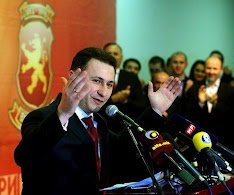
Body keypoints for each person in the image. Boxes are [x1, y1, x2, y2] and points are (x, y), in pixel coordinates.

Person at [14, 47, 182, 195]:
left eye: (109, 84)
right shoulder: (42, 117)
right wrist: (63, 113)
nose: (103, 92)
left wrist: (155, 111)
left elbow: (122, 147)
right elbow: (25, 156)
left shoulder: (99, 122)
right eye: (97, 81)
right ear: (73, 77)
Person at [103, 42, 145, 131]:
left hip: (125, 127)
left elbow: (141, 104)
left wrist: (126, 100)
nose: (112, 56)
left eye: (115, 54)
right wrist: (112, 99)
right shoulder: (95, 76)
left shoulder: (131, 77)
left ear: (121, 58)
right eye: (108, 53)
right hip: (102, 124)